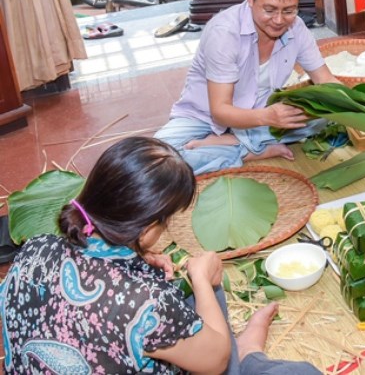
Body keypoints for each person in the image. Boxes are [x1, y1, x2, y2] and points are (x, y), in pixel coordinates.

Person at [0, 137, 320, 374]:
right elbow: (215, 362)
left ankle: (243, 353)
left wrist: (136, 259)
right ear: (147, 227)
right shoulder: (145, 304)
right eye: (165, 221)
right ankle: (249, 355)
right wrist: (201, 280)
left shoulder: (36, 247)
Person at [155, 0, 339, 174]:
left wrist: (358, 105)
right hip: (204, 117)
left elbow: (325, 80)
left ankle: (230, 144)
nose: (279, 20)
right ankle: (251, 150)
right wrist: (269, 117)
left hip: (258, 118)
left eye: (288, 10)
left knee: (322, 119)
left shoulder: (297, 28)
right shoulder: (224, 33)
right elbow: (220, 111)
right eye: (269, 10)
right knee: (159, 160)